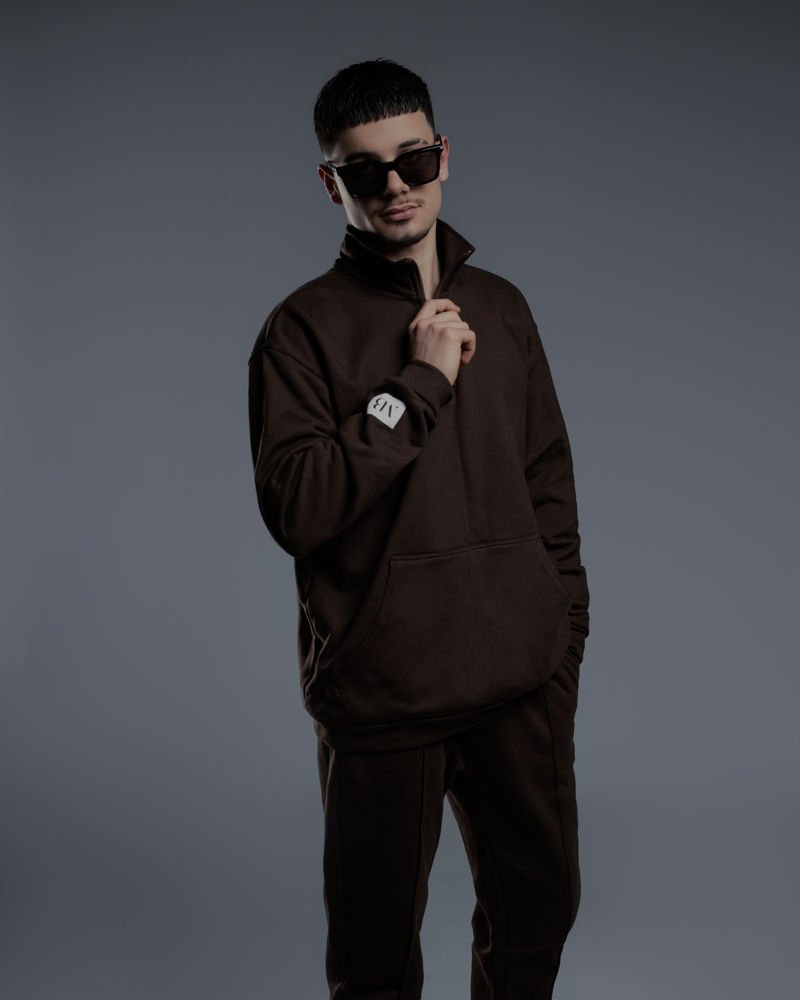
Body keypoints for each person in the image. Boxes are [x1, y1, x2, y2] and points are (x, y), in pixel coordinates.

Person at [247, 57, 590, 1000]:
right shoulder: (300, 331)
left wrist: (562, 636)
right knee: (375, 958)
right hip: (384, 694)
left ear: (445, 155)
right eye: (364, 170)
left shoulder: (504, 308)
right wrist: (418, 383)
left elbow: (548, 484)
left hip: (521, 680)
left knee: (538, 919)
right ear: (333, 184)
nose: (395, 185)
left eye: (414, 160)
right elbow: (299, 506)